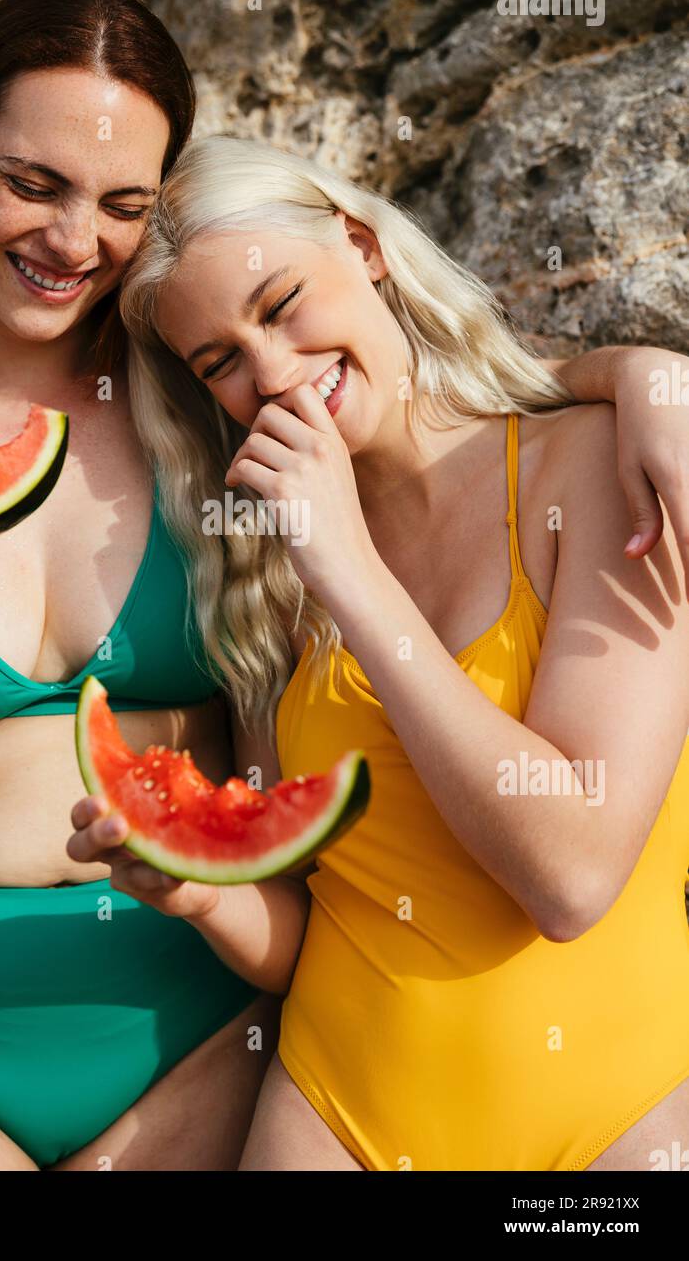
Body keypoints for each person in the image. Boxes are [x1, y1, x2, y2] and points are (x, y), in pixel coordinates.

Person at [69, 134, 689, 1171]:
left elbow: (570, 877)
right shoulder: (265, 584)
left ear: (360, 247)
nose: (269, 373)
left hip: (611, 1121)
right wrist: (193, 886)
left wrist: (348, 570)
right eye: (217, 360)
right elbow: (306, 926)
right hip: (332, 1117)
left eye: (278, 306)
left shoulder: (589, 466)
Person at [0, 0, 286, 1173]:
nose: (74, 242)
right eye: (32, 185)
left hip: (205, 1026)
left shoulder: (213, 387)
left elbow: (439, 397)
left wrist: (642, 378)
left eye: (122, 204)